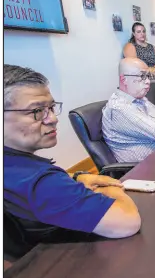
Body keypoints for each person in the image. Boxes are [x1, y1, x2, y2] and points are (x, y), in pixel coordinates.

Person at [3, 64, 141, 259]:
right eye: (37, 111)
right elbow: (127, 222)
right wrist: (111, 187)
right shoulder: (39, 181)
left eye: (51, 108)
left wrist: (78, 176)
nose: (52, 119)